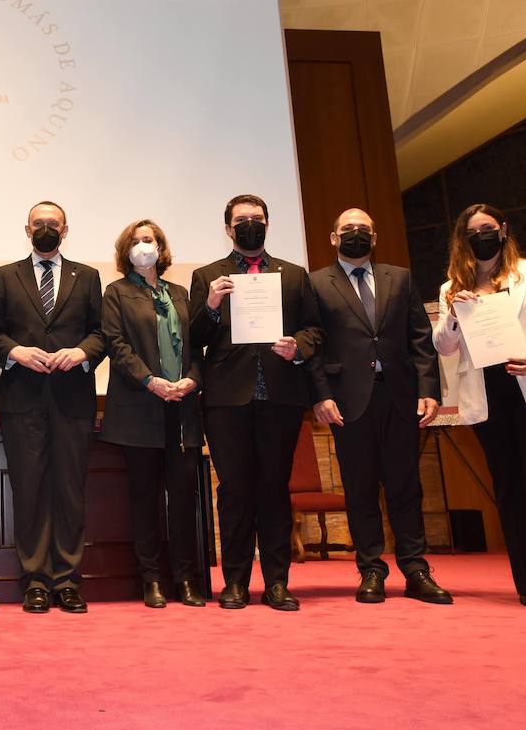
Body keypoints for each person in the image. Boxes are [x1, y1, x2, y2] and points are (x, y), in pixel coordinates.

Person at [432, 203, 526, 615]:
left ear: (503, 230)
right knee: (510, 490)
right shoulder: (452, 287)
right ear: (462, 241)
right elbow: (443, 346)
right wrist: (454, 316)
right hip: (488, 397)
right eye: (471, 231)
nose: (480, 236)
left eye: (487, 228)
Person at [310, 208, 451, 605]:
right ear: (333, 237)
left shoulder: (399, 277)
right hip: (347, 402)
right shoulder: (316, 282)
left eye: (364, 230)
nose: (356, 234)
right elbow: (314, 343)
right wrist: (321, 394)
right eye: (348, 230)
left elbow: (419, 338)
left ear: (375, 236)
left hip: (400, 397)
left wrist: (430, 389)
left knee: (406, 487)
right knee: (360, 489)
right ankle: (371, 569)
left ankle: (416, 569)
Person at [189, 193, 322, 611]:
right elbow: (193, 339)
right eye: (242, 220)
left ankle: (278, 583)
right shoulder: (207, 275)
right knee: (234, 491)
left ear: (267, 224)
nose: (250, 225)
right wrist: (210, 305)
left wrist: (297, 345)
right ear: (228, 228)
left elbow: (315, 330)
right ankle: (235, 582)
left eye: (257, 218)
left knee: (274, 490)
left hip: (280, 396)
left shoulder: (295, 274)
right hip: (227, 398)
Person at [0, 201, 105, 613]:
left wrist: (81, 353)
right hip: (22, 401)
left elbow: (101, 332)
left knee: (70, 492)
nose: (45, 229)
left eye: (52, 224)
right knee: (30, 492)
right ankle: (35, 581)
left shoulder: (88, 276)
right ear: (26, 229)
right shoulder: (5, 276)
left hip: (73, 399)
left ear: (65, 229)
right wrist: (15, 351)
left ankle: (67, 580)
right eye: (38, 224)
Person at [100, 220, 207, 609]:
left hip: (183, 408)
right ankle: (152, 580)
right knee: (144, 498)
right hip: (139, 408)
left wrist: (193, 379)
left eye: (151, 240)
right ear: (125, 249)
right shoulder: (116, 292)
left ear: (161, 247)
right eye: (137, 240)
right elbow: (116, 344)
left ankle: (186, 579)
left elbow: (198, 346)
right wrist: (150, 380)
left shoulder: (179, 293)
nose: (144, 246)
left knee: (182, 498)